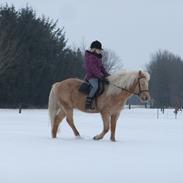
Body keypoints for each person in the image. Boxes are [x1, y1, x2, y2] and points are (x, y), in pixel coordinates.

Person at [84, 40, 109, 110]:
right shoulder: (91, 57)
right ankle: (88, 102)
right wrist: (101, 76)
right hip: (91, 77)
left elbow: (102, 68)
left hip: (98, 76)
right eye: (99, 49)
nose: (100, 51)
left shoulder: (98, 58)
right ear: (94, 49)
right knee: (96, 86)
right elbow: (93, 69)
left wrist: (107, 75)